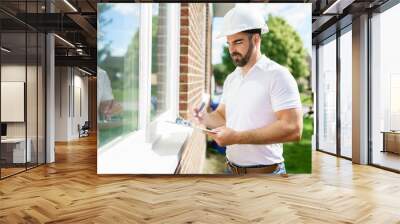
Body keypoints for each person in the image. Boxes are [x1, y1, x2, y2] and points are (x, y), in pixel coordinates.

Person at [194, 6, 303, 175]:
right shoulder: (232, 78)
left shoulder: (278, 75)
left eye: (238, 42)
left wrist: (237, 137)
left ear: (256, 39)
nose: (232, 50)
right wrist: (205, 118)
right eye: (229, 43)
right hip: (230, 169)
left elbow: (293, 128)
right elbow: (223, 116)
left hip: (267, 174)